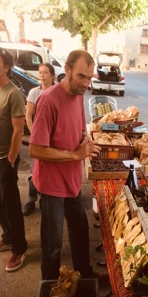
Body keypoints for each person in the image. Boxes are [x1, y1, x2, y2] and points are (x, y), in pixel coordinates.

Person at [29, 50, 102, 280]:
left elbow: (80, 129)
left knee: (80, 233)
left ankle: (84, 276)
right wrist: (75, 154)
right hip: (52, 187)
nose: (86, 83)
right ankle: (50, 291)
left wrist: (86, 142)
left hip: (72, 183)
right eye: (81, 76)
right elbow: (35, 149)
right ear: (67, 70)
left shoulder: (79, 96)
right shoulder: (48, 100)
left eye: (90, 78)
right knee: (52, 245)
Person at [0, 48, 28, 272]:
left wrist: (10, 161)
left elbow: (18, 132)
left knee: (10, 204)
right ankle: (7, 236)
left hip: (5, 158)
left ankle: (19, 247)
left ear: (6, 67)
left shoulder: (14, 94)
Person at [23, 63, 56, 216]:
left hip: (53, 138)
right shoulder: (34, 92)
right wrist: (34, 134)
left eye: (46, 73)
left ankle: (45, 198)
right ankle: (31, 199)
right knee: (34, 169)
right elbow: (28, 115)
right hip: (38, 136)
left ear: (53, 75)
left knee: (49, 171)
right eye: (40, 72)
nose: (42, 75)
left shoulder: (58, 92)